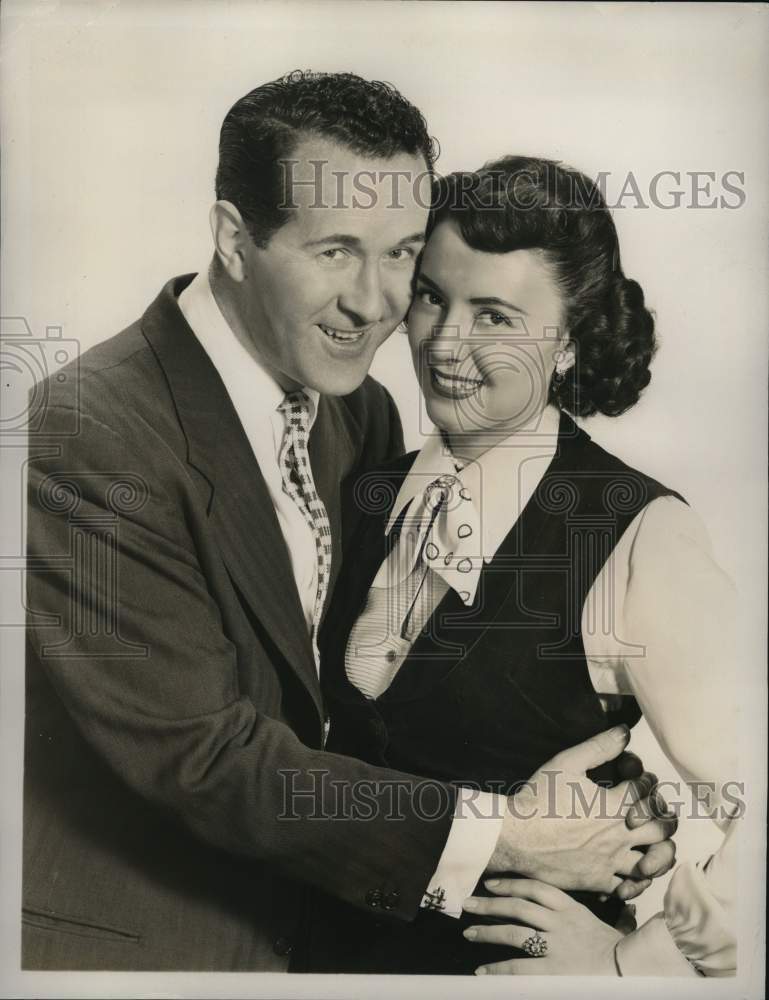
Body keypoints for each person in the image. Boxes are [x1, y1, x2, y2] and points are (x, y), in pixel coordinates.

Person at [22, 75, 673, 971]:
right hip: (155, 958)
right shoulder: (89, 430)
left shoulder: (356, 412)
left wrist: (597, 799)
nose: (375, 304)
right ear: (233, 239)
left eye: (403, 253)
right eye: (335, 251)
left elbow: (355, 706)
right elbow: (203, 755)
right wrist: (511, 837)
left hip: (329, 945)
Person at [303, 156, 739, 975]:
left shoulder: (639, 535)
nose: (443, 342)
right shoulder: (366, 490)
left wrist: (634, 969)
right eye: (432, 295)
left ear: (568, 341)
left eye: (495, 316)